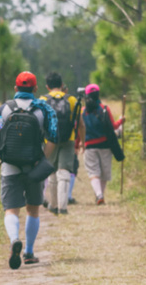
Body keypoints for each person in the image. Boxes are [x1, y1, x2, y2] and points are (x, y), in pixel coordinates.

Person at [0, 71, 58, 269]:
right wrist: (42, 159)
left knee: (11, 209)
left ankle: (13, 241)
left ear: (16, 88)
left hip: (9, 167)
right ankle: (28, 252)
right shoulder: (42, 110)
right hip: (34, 166)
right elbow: (53, 137)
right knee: (33, 209)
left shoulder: (4, 109)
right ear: (36, 89)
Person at [40, 72, 83, 215]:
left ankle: (53, 204)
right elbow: (80, 124)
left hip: (49, 140)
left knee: (52, 172)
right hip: (68, 139)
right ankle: (63, 207)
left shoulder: (42, 100)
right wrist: (82, 141)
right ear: (62, 84)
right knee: (64, 171)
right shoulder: (71, 99)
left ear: (47, 86)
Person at [78, 84, 125, 205]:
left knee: (93, 172)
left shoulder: (83, 112)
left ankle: (99, 195)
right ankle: (100, 195)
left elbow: (79, 128)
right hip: (105, 145)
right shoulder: (104, 108)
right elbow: (113, 126)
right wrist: (121, 121)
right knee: (104, 172)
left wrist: (79, 143)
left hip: (89, 146)